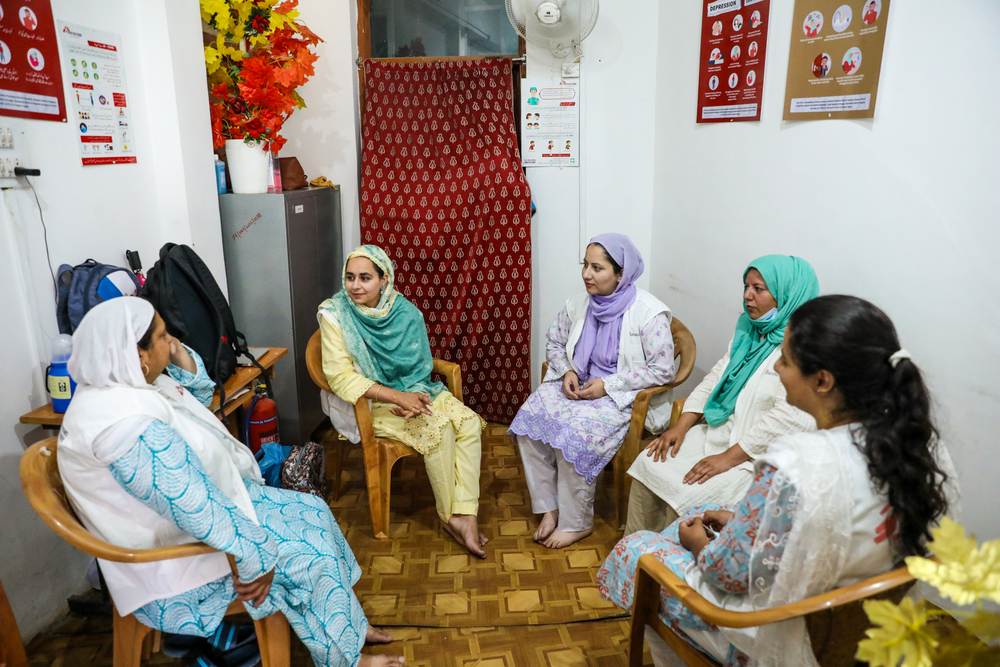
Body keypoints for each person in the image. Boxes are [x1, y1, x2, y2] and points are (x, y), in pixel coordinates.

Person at [599, 295, 956, 667]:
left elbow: (727, 575)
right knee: (704, 512)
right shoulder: (921, 446)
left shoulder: (793, 464)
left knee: (639, 552)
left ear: (822, 380)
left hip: (777, 634)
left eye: (784, 359)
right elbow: (828, 530)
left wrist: (698, 544)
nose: (776, 367)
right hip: (868, 630)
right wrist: (747, 522)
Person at [57, 298, 403, 667]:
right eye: (162, 336)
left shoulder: (124, 386)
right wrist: (256, 554)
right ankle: (346, 659)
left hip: (197, 523)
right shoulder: (126, 428)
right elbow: (194, 505)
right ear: (138, 355)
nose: (171, 342)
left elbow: (198, 396)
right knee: (309, 555)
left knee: (313, 508)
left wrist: (174, 350)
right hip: (178, 558)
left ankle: (347, 624)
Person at [625, 256, 818, 535]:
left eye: (758, 289)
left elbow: (788, 420)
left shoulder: (804, 349)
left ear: (787, 296)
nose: (747, 296)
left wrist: (728, 458)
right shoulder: (748, 330)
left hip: (757, 455)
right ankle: (637, 552)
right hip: (720, 431)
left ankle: (672, 555)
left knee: (688, 491)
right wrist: (680, 427)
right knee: (650, 461)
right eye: (746, 286)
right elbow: (715, 379)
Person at [318, 245, 488, 557]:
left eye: (365, 278)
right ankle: (450, 518)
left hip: (415, 389)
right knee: (438, 430)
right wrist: (396, 396)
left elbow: (417, 365)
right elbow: (340, 378)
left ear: (384, 279)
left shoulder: (405, 312)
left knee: (468, 424)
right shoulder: (335, 314)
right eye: (350, 277)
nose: (355, 286)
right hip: (366, 402)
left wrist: (412, 396)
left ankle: (466, 514)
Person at [509, 234, 676, 549]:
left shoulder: (647, 312)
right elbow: (554, 341)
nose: (587, 274)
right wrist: (568, 371)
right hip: (580, 384)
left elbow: (663, 369)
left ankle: (576, 522)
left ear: (621, 273)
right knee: (529, 423)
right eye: (585, 265)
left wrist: (608, 384)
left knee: (574, 434)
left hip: (619, 397)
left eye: (597, 268)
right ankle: (549, 507)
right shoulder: (579, 302)